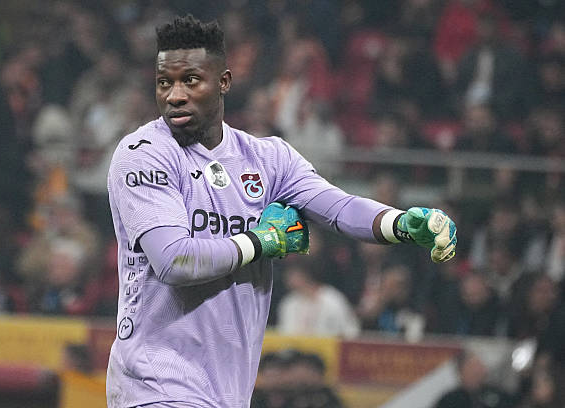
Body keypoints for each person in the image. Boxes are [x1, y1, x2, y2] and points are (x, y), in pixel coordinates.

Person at [106, 15, 457, 408]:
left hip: (225, 391)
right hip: (156, 385)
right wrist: (262, 241)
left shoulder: (267, 158)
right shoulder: (144, 154)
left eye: (190, 80)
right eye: (163, 83)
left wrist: (400, 223)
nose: (174, 95)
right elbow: (175, 260)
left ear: (224, 81)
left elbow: (338, 207)